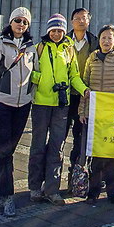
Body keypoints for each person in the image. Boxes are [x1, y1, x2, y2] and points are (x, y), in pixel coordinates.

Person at [27, 13, 88, 204]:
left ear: (63, 30)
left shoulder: (68, 50)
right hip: (40, 104)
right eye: (53, 30)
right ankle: (35, 187)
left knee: (57, 147)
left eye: (59, 30)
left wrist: (84, 90)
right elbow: (30, 74)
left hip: (61, 105)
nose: (56, 34)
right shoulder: (39, 48)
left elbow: (74, 76)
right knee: (37, 146)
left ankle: (52, 189)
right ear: (48, 31)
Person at [0, 7, 35, 217]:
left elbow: (35, 75)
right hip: (3, 104)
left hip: (23, 106)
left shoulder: (32, 49)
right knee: (4, 151)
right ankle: (7, 196)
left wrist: (31, 95)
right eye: (17, 21)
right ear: (10, 23)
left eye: (24, 22)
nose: (21, 25)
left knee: (6, 150)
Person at [80, 25, 114, 205]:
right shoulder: (91, 58)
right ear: (99, 39)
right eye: (104, 37)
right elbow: (85, 87)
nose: (106, 41)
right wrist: (82, 111)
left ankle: (113, 191)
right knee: (96, 154)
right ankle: (93, 191)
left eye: (110, 38)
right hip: (95, 112)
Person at [66, 7, 95, 197]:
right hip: (65, 98)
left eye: (84, 18)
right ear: (71, 21)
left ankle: (78, 178)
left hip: (86, 97)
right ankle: (50, 180)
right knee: (58, 138)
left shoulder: (94, 42)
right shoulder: (63, 41)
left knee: (82, 137)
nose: (81, 21)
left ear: (89, 20)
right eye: (77, 18)